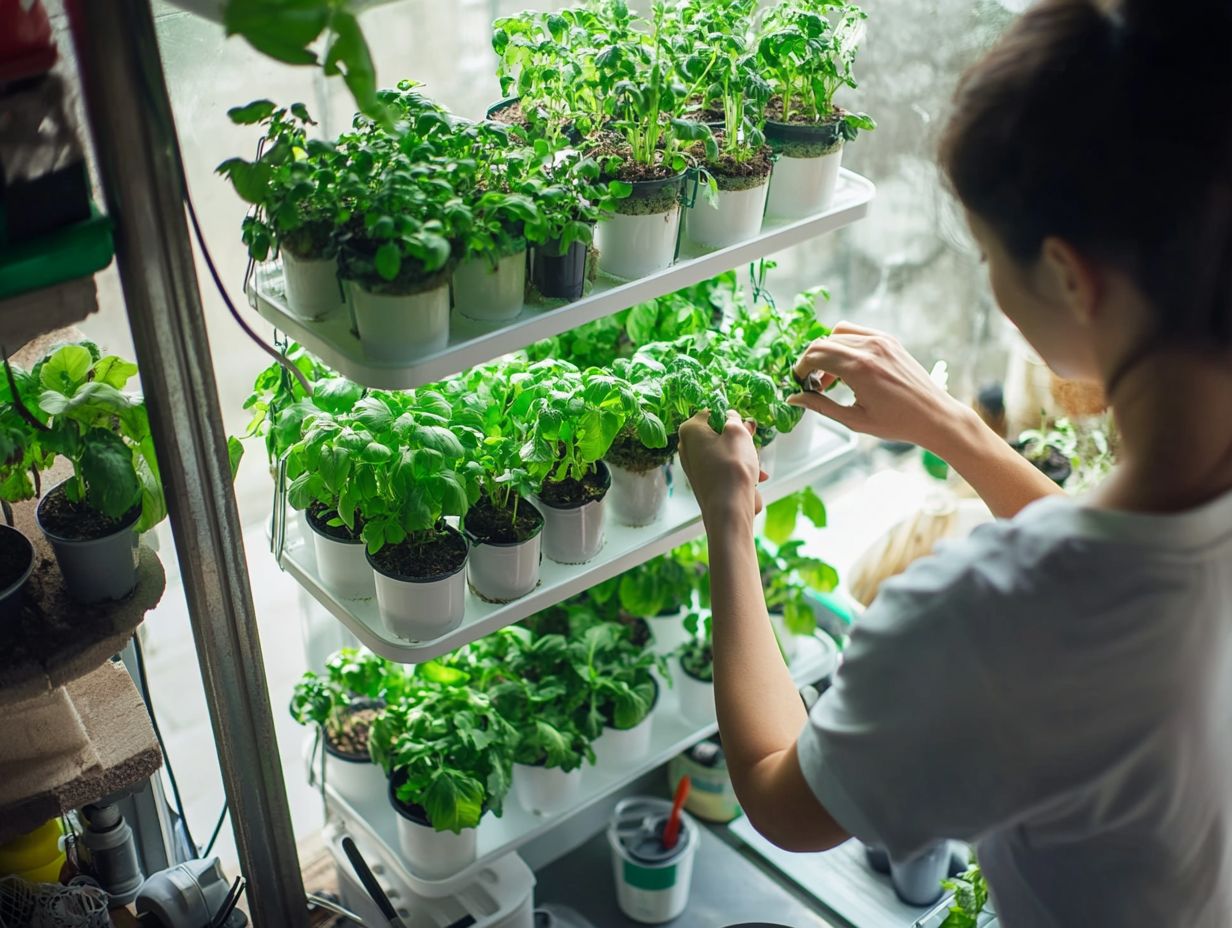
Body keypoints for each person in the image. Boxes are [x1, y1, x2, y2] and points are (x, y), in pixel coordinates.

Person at [676, 0, 1232, 924]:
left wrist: (729, 523)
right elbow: (1127, 561)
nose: (988, 281)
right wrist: (953, 428)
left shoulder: (990, 617)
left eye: (985, 252)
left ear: (1067, 273)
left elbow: (783, 797)